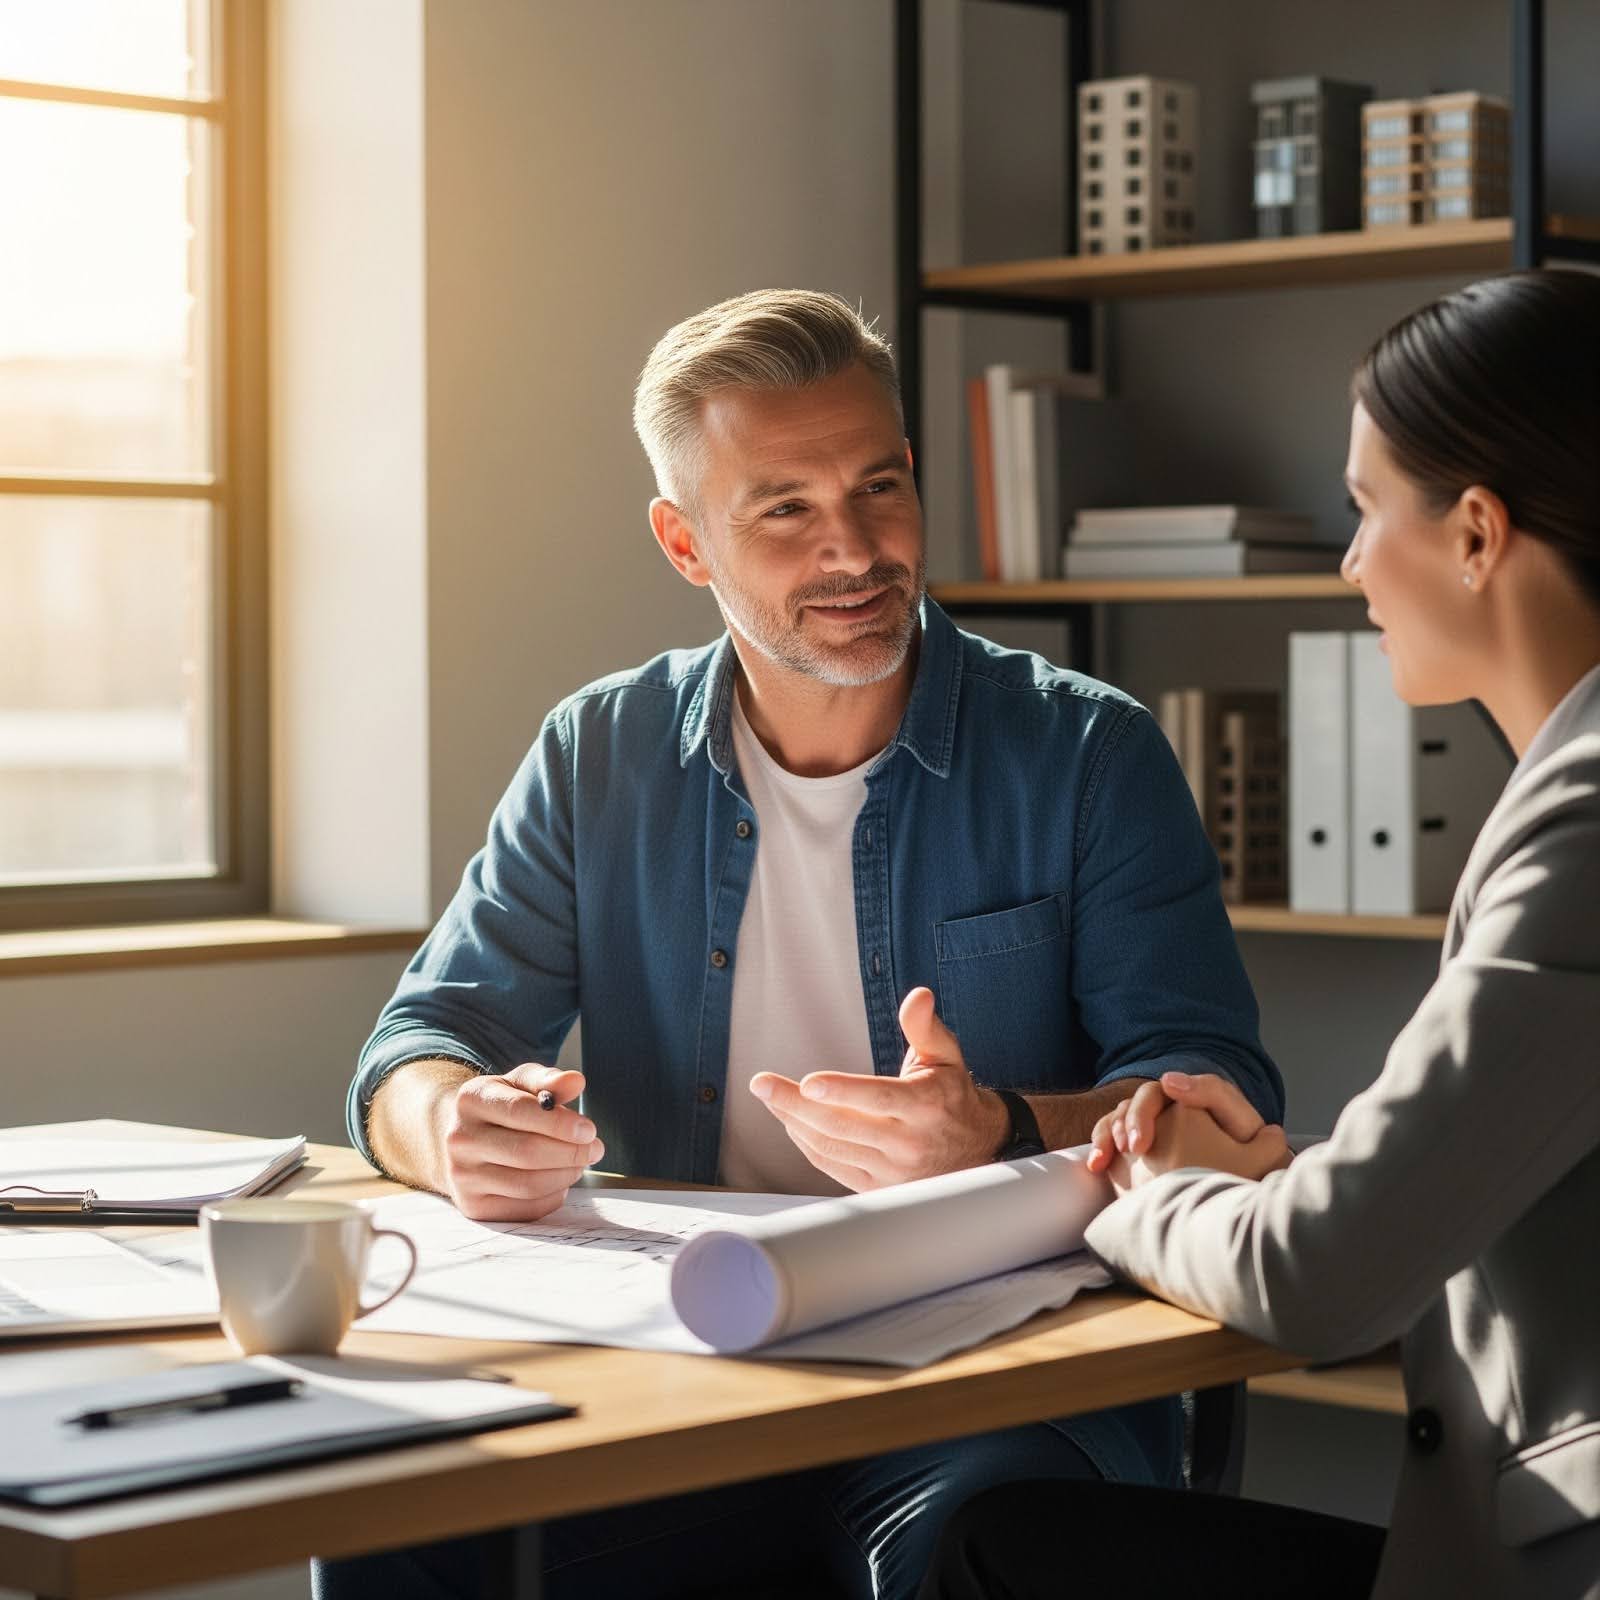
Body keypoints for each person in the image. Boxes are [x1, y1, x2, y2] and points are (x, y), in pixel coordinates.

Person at [318, 289, 1284, 1600]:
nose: (857, 549)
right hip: (690, 1376)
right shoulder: (598, 753)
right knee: (392, 1518)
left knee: (967, 1551)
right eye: (786, 508)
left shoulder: (1084, 751)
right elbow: (420, 1046)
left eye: (880, 486)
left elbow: (1226, 1106)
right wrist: (456, 1130)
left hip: (993, 1391)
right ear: (684, 542)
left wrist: (997, 1132)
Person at [920, 268, 1600, 1600]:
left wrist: (1136, 1195)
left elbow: (1312, 1283)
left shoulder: (1585, 824)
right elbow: (1482, 1146)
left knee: (995, 1551)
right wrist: (1280, 1171)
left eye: (1363, 511)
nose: (1351, 566)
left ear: (1474, 534)